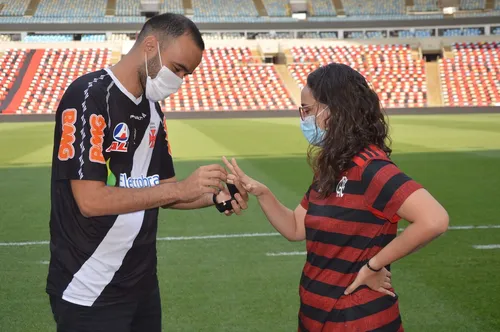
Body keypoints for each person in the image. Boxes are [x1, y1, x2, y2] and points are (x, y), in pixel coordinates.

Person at [47, 13, 248, 332]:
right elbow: (90, 201)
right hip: (90, 290)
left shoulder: (153, 110)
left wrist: (215, 196)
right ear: (150, 46)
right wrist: (180, 190)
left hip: (141, 286)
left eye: (187, 74)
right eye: (178, 68)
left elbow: (164, 191)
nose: (180, 80)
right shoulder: (89, 96)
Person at [223, 63, 449, 331]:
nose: (303, 118)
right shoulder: (332, 167)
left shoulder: (371, 168)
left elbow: (434, 220)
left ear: (336, 109)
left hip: (357, 320)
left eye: (307, 109)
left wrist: (374, 265)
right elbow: (296, 227)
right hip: (315, 315)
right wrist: (262, 192)